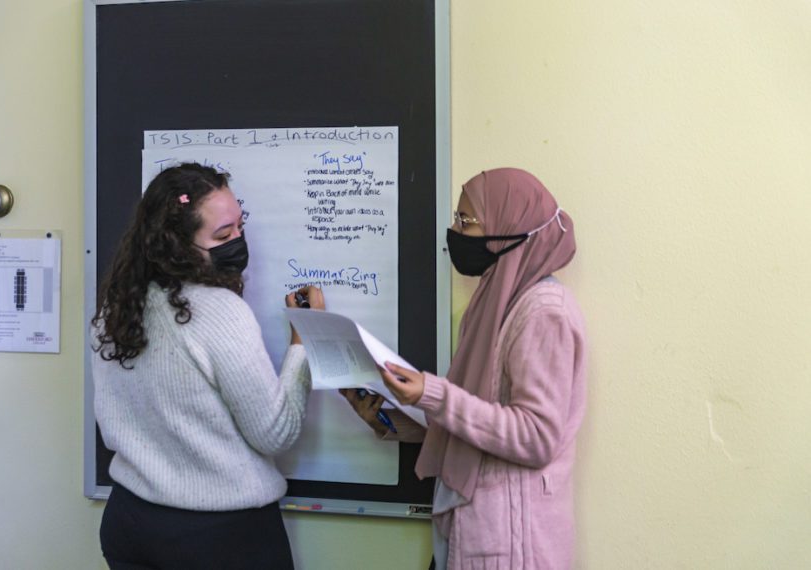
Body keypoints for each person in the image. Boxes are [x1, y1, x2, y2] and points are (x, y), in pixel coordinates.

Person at [342, 167, 587, 570]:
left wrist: (432, 393)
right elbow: (476, 425)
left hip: (514, 548)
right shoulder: (493, 301)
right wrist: (390, 419)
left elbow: (536, 437)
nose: (454, 231)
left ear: (508, 226)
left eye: (466, 220)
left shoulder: (543, 312)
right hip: (474, 533)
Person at [91, 162, 324, 569]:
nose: (238, 242)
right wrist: (304, 343)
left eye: (240, 226)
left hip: (130, 521)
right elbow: (275, 433)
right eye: (222, 235)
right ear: (177, 246)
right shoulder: (220, 311)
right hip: (218, 538)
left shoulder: (116, 308)